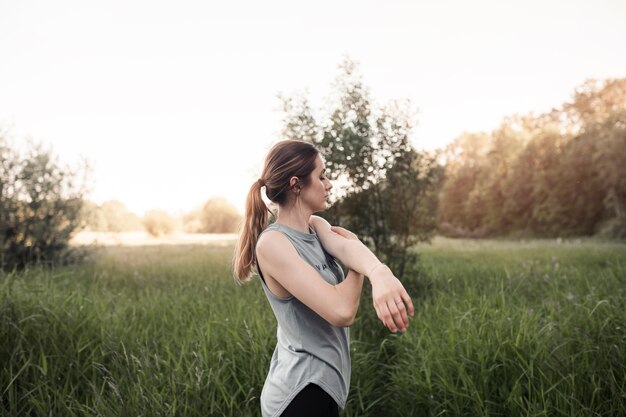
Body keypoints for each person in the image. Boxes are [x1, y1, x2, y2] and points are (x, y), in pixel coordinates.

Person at [233, 140, 414, 417]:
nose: (329, 184)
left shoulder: (316, 226)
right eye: (322, 175)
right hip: (300, 393)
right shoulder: (273, 244)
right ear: (297, 185)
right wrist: (359, 270)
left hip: (324, 387)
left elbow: (346, 247)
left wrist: (380, 272)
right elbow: (341, 311)